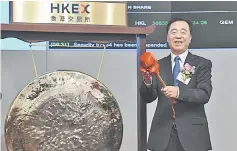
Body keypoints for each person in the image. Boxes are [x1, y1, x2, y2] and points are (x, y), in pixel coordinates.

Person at [140, 18, 213, 151]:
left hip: (193, 135)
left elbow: (204, 94)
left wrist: (178, 92)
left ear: (190, 38)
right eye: (174, 32)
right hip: (163, 134)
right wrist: (148, 81)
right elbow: (148, 97)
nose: (178, 36)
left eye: (183, 32)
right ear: (167, 37)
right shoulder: (157, 65)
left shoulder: (202, 64)